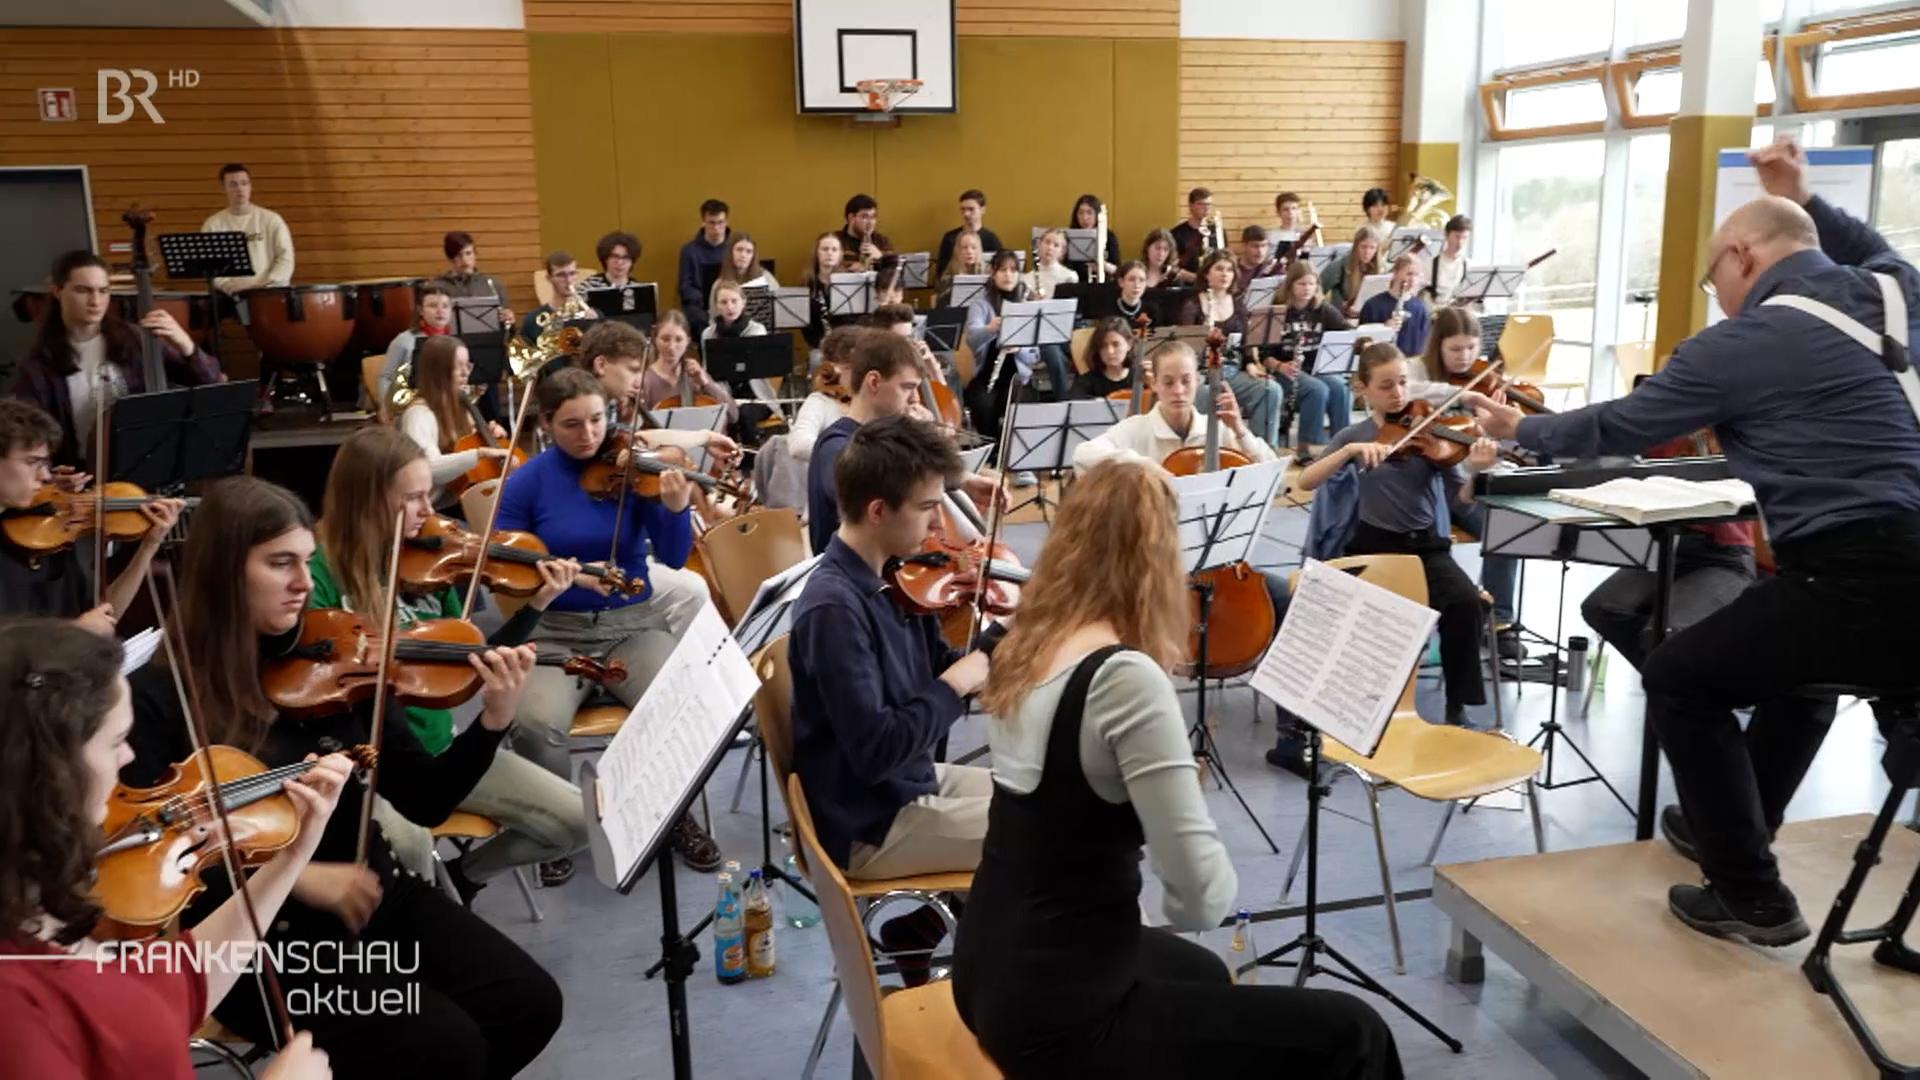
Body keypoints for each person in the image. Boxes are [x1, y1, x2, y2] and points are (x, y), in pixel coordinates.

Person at [1463, 139, 1920, 946]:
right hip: (1898, 573)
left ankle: (1752, 897)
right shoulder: (1892, 295)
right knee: (1801, 679)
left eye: (1715, 280)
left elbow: (1622, 425)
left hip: (1856, 570)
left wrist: (1521, 426)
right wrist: (1803, 197)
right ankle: (1735, 833)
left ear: (1742, 257)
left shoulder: (1746, 344)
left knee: (1680, 679)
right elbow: (1870, 248)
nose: (1718, 300)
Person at [951, 461, 1403, 1079]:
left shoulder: (1024, 640)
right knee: (1354, 1032)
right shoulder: (1121, 676)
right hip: (1061, 1016)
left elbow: (1066, 803)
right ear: (1160, 560)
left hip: (988, 965)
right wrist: (1176, 803)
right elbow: (1201, 902)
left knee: (1205, 975)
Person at [123, 475, 562, 1077]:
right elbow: (160, 857)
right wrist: (298, 876)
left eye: (306, 561)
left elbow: (427, 800)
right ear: (224, 571)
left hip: (372, 896)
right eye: (281, 564)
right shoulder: (157, 698)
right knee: (444, 1043)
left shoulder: (335, 655)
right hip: (259, 940)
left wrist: (491, 721)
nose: (305, 584)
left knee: (528, 1004)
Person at [0, 617, 344, 1080]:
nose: (130, 759)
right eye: (117, 741)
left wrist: (293, 854)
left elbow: (178, 983)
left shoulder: (37, 907)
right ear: (54, 770)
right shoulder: (14, 1011)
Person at [304, 426, 589, 892]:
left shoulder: (430, 565)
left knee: (576, 822)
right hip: (369, 768)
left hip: (441, 752)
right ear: (366, 500)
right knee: (409, 847)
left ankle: (464, 877)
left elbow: (467, 654)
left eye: (428, 495)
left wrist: (536, 604)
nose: (429, 512)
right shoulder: (317, 574)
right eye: (412, 498)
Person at [495, 367, 723, 871]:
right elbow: (504, 560)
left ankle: (672, 815)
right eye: (572, 425)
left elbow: (673, 552)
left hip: (632, 623)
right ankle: (555, 825)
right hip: (556, 634)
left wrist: (676, 508)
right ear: (547, 424)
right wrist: (570, 578)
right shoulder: (528, 481)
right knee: (536, 724)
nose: (590, 435)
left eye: (597, 420)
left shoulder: (635, 471)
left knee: (676, 708)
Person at [789, 414, 993, 979]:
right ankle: (1003, 980)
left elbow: (938, 668)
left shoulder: (892, 577)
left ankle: (922, 932)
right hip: (868, 820)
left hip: (905, 781)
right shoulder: (834, 608)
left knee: (1041, 791)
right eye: (928, 507)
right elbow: (876, 748)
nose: (938, 521)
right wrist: (958, 685)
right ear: (879, 511)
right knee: (1043, 828)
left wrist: (1003, 653)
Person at [1298, 343, 1495, 727]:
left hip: (1425, 546)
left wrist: (1477, 471)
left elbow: (1462, 495)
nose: (1398, 394)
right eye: (1386, 386)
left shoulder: (1429, 432)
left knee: (1466, 604)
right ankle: (1355, 703)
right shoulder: (1353, 435)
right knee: (1354, 613)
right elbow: (1307, 480)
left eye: (1403, 383)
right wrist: (1351, 450)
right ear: (1363, 388)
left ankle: (1458, 703)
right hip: (1373, 546)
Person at [13, 250, 222, 469]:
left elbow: (211, 383)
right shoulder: (38, 364)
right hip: (83, 472)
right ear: (57, 291)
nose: (96, 301)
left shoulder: (135, 340)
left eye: (103, 291)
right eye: (83, 290)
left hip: (146, 462)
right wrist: (53, 473)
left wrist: (185, 344)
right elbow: (29, 433)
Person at [807, 330, 994, 553]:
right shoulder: (836, 445)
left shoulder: (888, 438)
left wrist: (963, 480)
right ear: (874, 382)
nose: (915, 399)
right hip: (857, 580)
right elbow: (878, 495)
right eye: (907, 388)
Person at [0, 399, 181, 629]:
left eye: (46, 463)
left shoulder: (51, 533)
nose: (46, 476)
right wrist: (76, 631)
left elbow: (105, 616)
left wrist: (149, 547)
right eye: (32, 462)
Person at [1411, 308, 1520, 649]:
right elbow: (1407, 391)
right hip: (1430, 483)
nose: (1465, 357)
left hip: (1469, 478)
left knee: (1510, 524)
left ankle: (1497, 617)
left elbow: (1484, 449)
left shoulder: (1482, 378)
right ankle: (1478, 610)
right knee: (1495, 524)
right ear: (1438, 346)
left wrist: (1489, 425)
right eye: (1455, 349)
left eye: (1472, 348)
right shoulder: (1416, 370)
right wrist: (1466, 396)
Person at [1183, 251, 1283, 449]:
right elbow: (1187, 348)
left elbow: (1246, 342)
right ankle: (1201, 451)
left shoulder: (1238, 304)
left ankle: (1259, 449)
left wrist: (1250, 364)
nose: (1225, 274)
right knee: (1203, 394)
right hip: (1202, 373)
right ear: (1206, 274)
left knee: (1269, 389)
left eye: (1229, 270)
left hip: (1232, 370)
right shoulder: (1193, 305)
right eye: (1219, 269)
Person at [961, 251, 1050, 471]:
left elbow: (1035, 354)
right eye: (1002, 269)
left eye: (1013, 270)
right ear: (993, 273)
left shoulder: (1027, 303)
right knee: (982, 403)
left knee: (1020, 404)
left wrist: (1019, 348)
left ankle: (1019, 460)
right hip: (987, 375)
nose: (1008, 275)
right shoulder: (981, 305)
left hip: (1018, 377)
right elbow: (972, 339)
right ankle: (992, 455)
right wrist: (991, 329)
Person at [395, 335, 506, 508]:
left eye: (467, 365)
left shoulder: (461, 407)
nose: (466, 373)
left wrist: (491, 438)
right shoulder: (419, 415)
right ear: (438, 371)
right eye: (458, 366)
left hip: (461, 501)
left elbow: (471, 464)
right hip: (432, 511)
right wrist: (480, 453)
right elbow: (428, 469)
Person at [1266, 260, 1353, 459]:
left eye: (1312, 284)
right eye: (1302, 284)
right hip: (1283, 371)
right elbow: (1263, 355)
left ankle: (1342, 445)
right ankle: (1308, 448)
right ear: (1290, 285)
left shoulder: (1323, 309)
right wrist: (1280, 366)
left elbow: (1347, 331)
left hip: (1315, 369)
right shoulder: (1278, 311)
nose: (1307, 289)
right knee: (1317, 390)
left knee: (1341, 388)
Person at [201, 163, 294, 295]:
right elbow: (209, 266)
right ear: (224, 188)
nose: (240, 189)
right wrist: (228, 286)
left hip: (268, 293)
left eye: (244, 183)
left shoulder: (272, 219)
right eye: (233, 184)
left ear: (250, 186)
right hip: (229, 296)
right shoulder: (213, 224)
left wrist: (263, 284)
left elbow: (286, 258)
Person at [640, 310, 737, 424]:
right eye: (665, 339)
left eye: (679, 339)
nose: (671, 347)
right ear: (655, 339)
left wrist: (705, 383)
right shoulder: (646, 380)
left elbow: (733, 415)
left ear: (688, 341)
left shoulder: (695, 374)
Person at [376, 282, 455, 405]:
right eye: (433, 306)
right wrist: (387, 406)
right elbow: (386, 377)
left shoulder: (457, 340)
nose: (440, 311)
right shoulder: (404, 340)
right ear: (420, 310)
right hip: (413, 404)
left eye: (445, 306)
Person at [789, 325, 856, 462]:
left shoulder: (872, 400)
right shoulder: (820, 402)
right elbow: (799, 446)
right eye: (849, 367)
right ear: (832, 369)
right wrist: (854, 455)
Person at [677, 199, 732, 339]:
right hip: (700, 306)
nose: (716, 228)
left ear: (727, 222)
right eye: (711, 223)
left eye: (720, 222)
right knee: (699, 320)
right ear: (703, 222)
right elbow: (685, 286)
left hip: (730, 301)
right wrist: (709, 307)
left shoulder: (734, 248)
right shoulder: (689, 251)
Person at [1358, 254, 1432, 357]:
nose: (1413, 280)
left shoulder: (1420, 308)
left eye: (1416, 275)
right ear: (1395, 273)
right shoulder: (1372, 306)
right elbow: (1362, 343)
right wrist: (1383, 329)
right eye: (1409, 274)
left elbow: (1423, 346)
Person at [520, 250, 600, 342]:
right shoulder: (533, 320)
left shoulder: (593, 316)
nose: (568, 280)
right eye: (561, 275)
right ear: (549, 278)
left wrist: (595, 324)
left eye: (572, 273)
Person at [432, 230, 512, 313]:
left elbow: (506, 321)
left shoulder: (494, 285)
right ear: (450, 259)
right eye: (459, 255)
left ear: (475, 255)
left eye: (468, 253)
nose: (464, 259)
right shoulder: (438, 287)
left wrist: (508, 319)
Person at [1322, 227, 1384, 320]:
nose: (1367, 252)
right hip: (1341, 319)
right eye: (1363, 246)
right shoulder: (1340, 265)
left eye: (1372, 248)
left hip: (1368, 318)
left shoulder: (1382, 268)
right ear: (1356, 246)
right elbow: (1318, 289)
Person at [937, 189, 1003, 273]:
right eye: (963, 209)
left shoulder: (992, 239)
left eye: (971, 209)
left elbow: (999, 270)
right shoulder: (950, 238)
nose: (966, 214)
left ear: (982, 210)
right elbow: (941, 272)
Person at [709, 232, 778, 312]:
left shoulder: (766, 277)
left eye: (749, 251)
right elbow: (714, 317)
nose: (743, 255)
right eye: (739, 250)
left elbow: (778, 306)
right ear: (730, 253)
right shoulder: (719, 284)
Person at [1071, 318, 1138, 399]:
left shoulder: (1140, 378)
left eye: (1116, 344)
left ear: (1129, 344)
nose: (1110, 351)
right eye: (1103, 346)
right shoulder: (1086, 382)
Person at [802, 231, 847, 349]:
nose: (829, 253)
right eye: (825, 249)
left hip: (847, 342)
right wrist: (818, 342)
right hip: (820, 344)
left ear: (840, 254)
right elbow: (806, 325)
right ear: (817, 253)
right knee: (817, 361)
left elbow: (856, 319)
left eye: (834, 249)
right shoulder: (808, 284)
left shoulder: (848, 282)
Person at [1065, 194, 1122, 282]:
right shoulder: (1069, 236)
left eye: (1089, 212)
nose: (1085, 217)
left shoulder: (1108, 236)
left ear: (1097, 214)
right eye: (1081, 213)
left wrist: (1103, 266)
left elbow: (1117, 269)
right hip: (1076, 284)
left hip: (1103, 285)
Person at [701, 280, 768, 344]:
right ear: (716, 305)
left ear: (743, 302)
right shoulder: (708, 334)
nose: (730, 307)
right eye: (723, 302)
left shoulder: (757, 331)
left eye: (734, 301)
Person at [935, 229, 989, 308]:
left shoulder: (987, 274)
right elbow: (941, 306)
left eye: (973, 247)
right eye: (965, 248)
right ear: (958, 251)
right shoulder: (947, 279)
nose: (969, 251)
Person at [836, 193, 891, 269]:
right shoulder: (835, 240)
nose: (870, 222)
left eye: (873, 217)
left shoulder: (882, 241)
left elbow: (895, 267)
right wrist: (852, 267)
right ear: (851, 217)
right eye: (865, 217)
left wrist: (880, 256)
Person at [1427, 214, 1471, 305]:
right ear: (1446, 235)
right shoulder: (1430, 264)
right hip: (1438, 315)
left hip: (1461, 315)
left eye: (1464, 238)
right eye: (1457, 237)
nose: (1460, 243)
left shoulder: (1470, 266)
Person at [1026, 228, 1080, 300]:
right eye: (1047, 242)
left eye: (1056, 245)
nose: (1050, 248)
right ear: (1039, 245)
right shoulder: (1026, 279)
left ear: (1062, 251)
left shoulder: (1069, 277)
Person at [1169, 187, 1214, 272]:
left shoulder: (1218, 232)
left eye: (1209, 204)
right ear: (1191, 206)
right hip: (1186, 283)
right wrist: (1192, 278)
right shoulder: (1176, 233)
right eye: (1201, 204)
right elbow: (1171, 265)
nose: (1206, 208)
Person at [1272, 190, 1321, 260]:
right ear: (1278, 213)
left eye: (1294, 208)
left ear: (1298, 211)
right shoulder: (1272, 236)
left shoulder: (1305, 234)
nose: (1290, 213)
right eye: (1286, 209)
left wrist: (1307, 250)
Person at [1232, 224, 1280, 296]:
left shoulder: (1273, 268)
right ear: (1244, 246)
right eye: (1255, 246)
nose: (1260, 251)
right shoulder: (1232, 269)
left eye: (1264, 245)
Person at [1358, 186, 1396, 253]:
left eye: (1383, 205)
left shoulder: (1393, 227)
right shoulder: (1362, 229)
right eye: (1375, 205)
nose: (1380, 209)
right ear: (1367, 209)